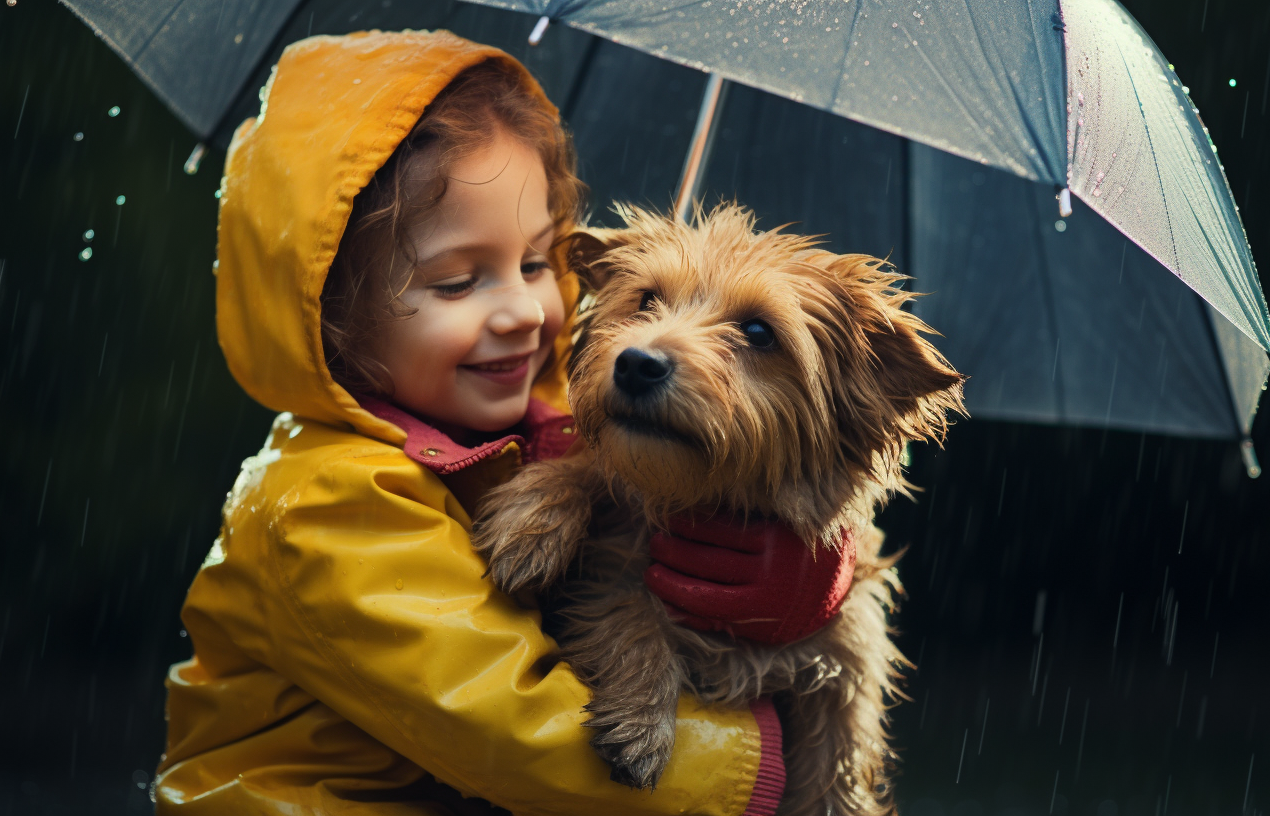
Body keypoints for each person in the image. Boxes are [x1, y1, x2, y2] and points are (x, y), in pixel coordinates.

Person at [154, 29, 850, 816]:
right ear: (329, 316)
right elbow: (515, 729)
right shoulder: (318, 507)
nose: (524, 310)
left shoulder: (519, 436)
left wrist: (813, 568)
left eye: (535, 263)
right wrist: (766, 750)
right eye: (458, 282)